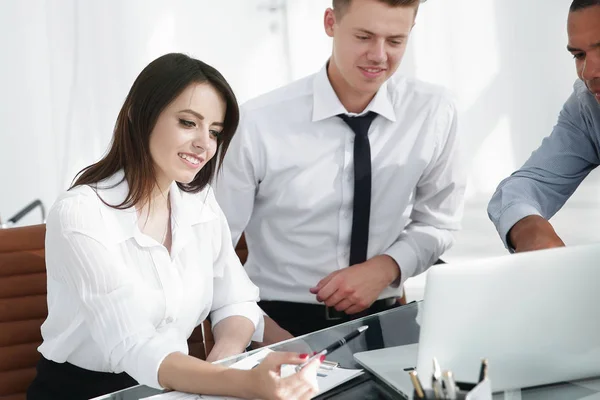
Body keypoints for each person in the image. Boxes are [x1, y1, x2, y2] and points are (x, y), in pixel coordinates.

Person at [27, 53, 320, 400]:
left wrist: (223, 361)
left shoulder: (199, 203)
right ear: (139, 114)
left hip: (178, 384)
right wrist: (241, 384)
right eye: (187, 122)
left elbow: (237, 301)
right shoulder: (80, 213)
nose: (204, 143)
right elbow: (134, 345)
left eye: (214, 131)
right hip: (88, 391)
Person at [215, 0, 466, 342]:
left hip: (388, 314)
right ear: (330, 22)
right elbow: (213, 249)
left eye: (395, 41)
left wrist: (388, 266)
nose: (379, 55)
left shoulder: (435, 111)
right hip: (278, 322)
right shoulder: (258, 122)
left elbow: (439, 221)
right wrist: (263, 334)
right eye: (364, 36)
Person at [488, 0, 600, 253]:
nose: (588, 72)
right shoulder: (588, 105)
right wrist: (530, 229)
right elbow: (528, 184)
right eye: (579, 55)